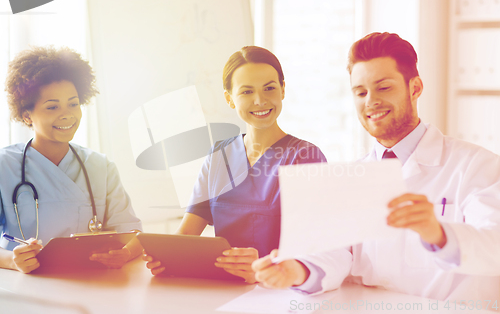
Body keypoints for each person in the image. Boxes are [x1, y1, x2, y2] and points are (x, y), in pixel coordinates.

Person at [252, 32, 500, 301]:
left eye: (383, 88)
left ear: (415, 88)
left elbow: (494, 245)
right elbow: (337, 251)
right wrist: (297, 270)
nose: (370, 101)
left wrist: (438, 234)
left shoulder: (477, 167)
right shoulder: (354, 175)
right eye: (360, 92)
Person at [143, 46, 326, 282]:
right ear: (230, 98)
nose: (260, 100)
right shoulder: (219, 155)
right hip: (223, 288)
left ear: (282, 90)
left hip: (280, 291)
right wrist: (166, 257)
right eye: (247, 92)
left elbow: (313, 246)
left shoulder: (306, 156)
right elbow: (188, 232)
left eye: (269, 88)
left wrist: (262, 268)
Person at [0, 46, 143, 273]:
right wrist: (11, 261)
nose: (67, 114)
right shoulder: (4, 166)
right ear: (27, 115)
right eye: (52, 106)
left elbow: (132, 233)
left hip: (92, 284)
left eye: (73, 103)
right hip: (27, 289)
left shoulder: (100, 166)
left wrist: (124, 254)